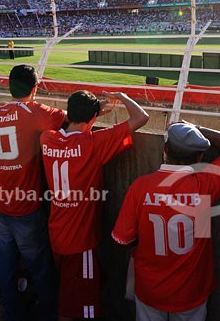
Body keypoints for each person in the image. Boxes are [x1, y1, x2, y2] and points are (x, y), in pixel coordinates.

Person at [112, 122, 220, 321]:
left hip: (150, 289)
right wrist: (199, 128)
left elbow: (122, 239)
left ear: (165, 149)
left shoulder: (140, 187)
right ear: (200, 157)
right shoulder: (206, 183)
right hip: (191, 292)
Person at [40, 90, 149, 321]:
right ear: (92, 120)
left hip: (56, 234)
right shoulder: (92, 143)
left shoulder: (47, 138)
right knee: (82, 307)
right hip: (80, 241)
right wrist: (121, 95)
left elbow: (68, 131)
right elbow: (141, 117)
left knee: (70, 294)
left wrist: (90, 114)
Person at [0, 64, 66, 321]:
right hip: (25, 206)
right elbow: (69, 115)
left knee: (6, 266)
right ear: (34, 89)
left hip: (0, 203)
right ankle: (48, 314)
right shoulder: (35, 112)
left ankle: (13, 313)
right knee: (41, 268)